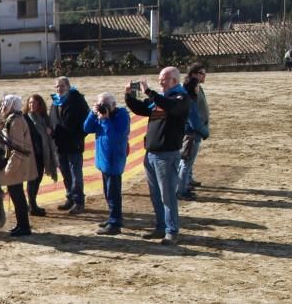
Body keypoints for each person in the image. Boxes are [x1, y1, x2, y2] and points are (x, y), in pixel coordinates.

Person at [125, 67, 190, 246]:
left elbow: (171, 107)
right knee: (155, 195)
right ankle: (161, 227)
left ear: (174, 81)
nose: (160, 82)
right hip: (151, 154)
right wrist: (129, 96)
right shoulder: (159, 99)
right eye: (160, 79)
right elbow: (141, 109)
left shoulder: (181, 98)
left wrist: (149, 91)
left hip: (167, 155)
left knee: (167, 195)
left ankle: (171, 231)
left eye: (164, 79)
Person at [83, 92, 130, 235]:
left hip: (114, 159)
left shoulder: (122, 116)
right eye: (101, 104)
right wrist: (93, 113)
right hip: (103, 159)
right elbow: (86, 128)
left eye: (106, 105)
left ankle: (115, 224)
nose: (104, 107)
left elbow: (115, 137)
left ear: (114, 105)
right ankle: (113, 218)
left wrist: (105, 119)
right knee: (108, 192)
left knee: (113, 193)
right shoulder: (99, 115)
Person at [0, 94, 39, 237]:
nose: (3, 106)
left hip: (17, 165)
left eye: (6, 103)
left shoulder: (16, 121)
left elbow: (18, 148)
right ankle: (21, 224)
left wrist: (10, 168)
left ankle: (24, 226)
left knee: (18, 195)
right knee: (16, 195)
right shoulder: (12, 119)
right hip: (16, 164)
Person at [49, 76, 89, 214]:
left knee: (75, 174)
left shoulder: (77, 100)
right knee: (66, 174)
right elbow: (52, 121)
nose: (59, 89)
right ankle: (70, 198)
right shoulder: (55, 102)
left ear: (68, 86)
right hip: (59, 145)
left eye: (62, 86)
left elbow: (86, 122)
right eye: (57, 86)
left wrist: (78, 137)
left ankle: (79, 202)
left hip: (74, 145)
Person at [176, 65, 211, 201]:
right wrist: (204, 131)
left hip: (195, 131)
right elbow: (193, 119)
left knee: (188, 160)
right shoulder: (189, 94)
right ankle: (181, 189)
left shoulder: (194, 89)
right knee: (186, 161)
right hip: (192, 132)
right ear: (194, 74)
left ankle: (187, 181)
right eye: (202, 73)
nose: (205, 76)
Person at [23, 93, 58, 216]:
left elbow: (50, 135)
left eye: (34, 102)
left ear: (39, 104)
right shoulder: (25, 118)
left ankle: (32, 203)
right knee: (32, 180)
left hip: (42, 154)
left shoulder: (44, 118)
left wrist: (50, 132)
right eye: (30, 102)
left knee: (37, 180)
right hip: (31, 155)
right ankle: (32, 206)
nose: (31, 105)